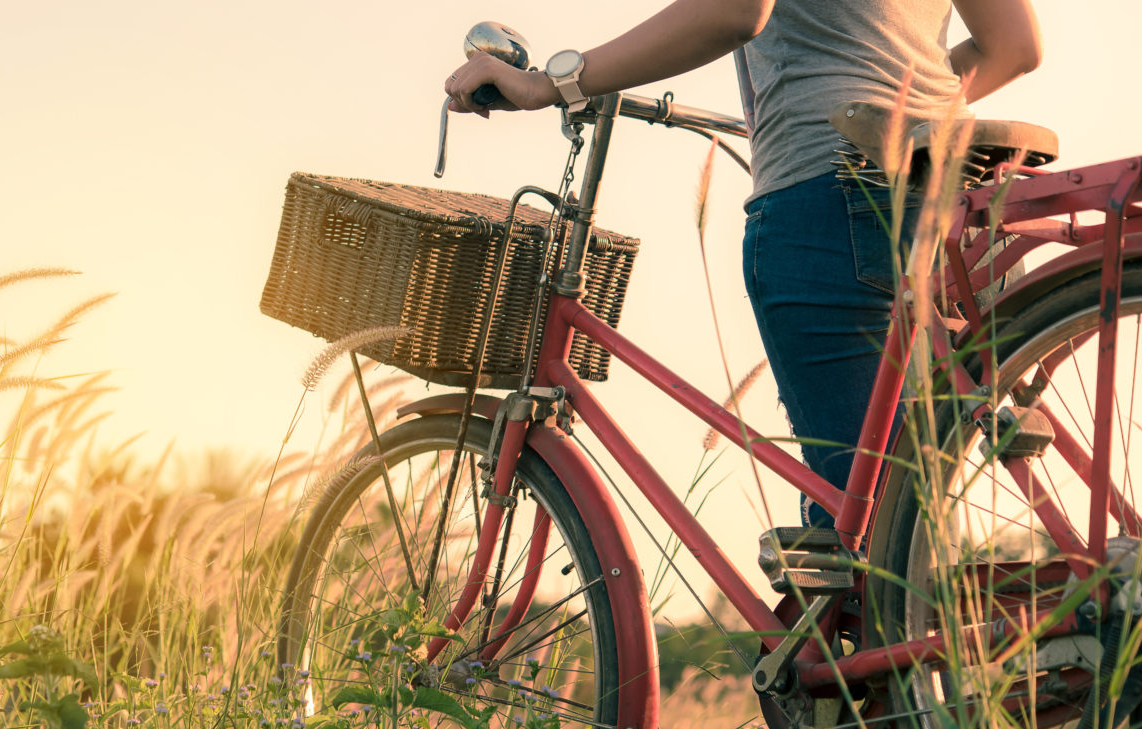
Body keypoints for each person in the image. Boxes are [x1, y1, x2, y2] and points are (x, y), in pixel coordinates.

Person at [445, 0, 1041, 531]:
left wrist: (553, 84)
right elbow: (1015, 45)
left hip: (834, 197)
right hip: (966, 207)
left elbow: (733, 12)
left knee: (872, 533)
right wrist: (906, 108)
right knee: (913, 518)